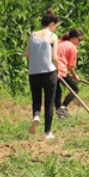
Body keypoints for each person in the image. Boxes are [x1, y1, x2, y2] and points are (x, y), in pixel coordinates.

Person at [25, 9, 59, 140]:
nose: (55, 29)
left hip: (34, 73)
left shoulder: (32, 35)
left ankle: (36, 116)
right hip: (49, 72)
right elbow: (54, 57)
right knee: (49, 103)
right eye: (56, 26)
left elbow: (27, 55)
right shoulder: (52, 36)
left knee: (36, 99)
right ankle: (47, 133)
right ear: (51, 24)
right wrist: (59, 70)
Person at [55, 28, 84, 118]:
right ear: (73, 38)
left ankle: (61, 116)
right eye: (79, 40)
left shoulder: (58, 42)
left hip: (50, 70)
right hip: (61, 71)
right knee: (75, 89)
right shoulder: (73, 48)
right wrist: (75, 76)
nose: (79, 42)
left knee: (57, 92)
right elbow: (70, 67)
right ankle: (63, 108)